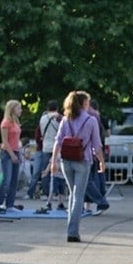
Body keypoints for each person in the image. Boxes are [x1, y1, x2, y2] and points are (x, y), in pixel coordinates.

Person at [50, 90, 105, 243]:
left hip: (66, 160)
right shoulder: (91, 120)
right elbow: (97, 145)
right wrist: (101, 161)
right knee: (78, 195)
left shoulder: (66, 119)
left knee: (73, 194)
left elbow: (58, 141)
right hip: (83, 160)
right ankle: (73, 232)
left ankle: (71, 229)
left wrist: (53, 161)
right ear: (84, 103)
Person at [27, 101, 61, 201]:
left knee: (45, 172)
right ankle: (56, 192)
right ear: (57, 108)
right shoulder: (59, 118)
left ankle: (45, 193)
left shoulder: (43, 119)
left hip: (45, 147)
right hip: (57, 147)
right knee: (57, 171)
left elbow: (40, 133)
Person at [0, 99, 25, 214]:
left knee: (14, 180)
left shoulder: (16, 122)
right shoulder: (5, 123)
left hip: (16, 150)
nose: (20, 110)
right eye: (18, 108)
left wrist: (19, 153)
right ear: (12, 109)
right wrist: (12, 155)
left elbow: (17, 140)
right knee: (6, 179)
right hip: (7, 152)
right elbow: (5, 141)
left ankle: (10, 204)